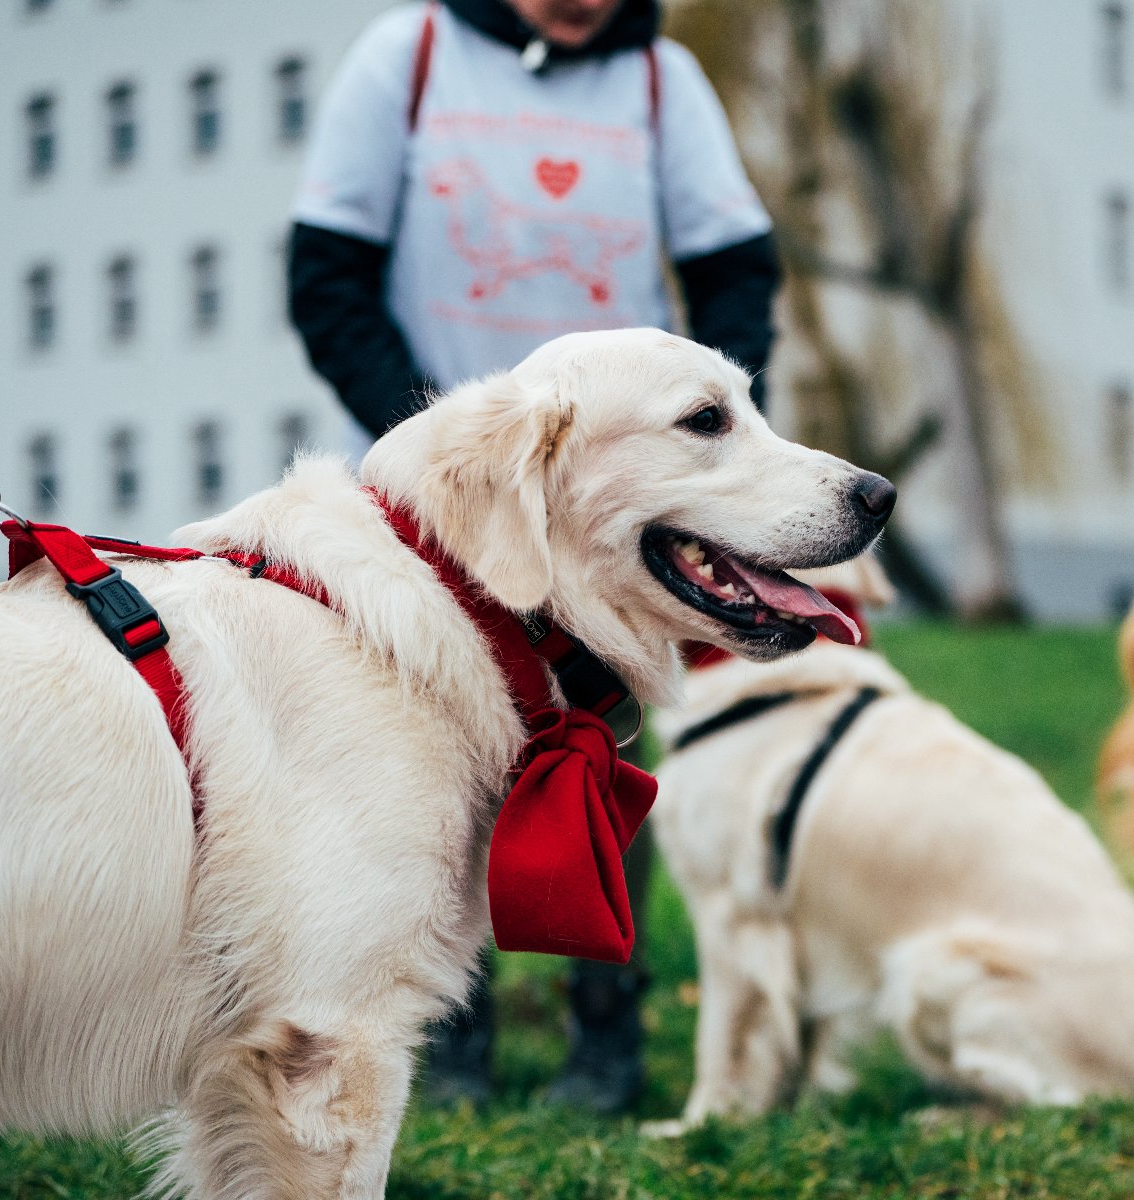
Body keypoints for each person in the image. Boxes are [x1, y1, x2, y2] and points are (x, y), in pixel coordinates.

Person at [286, 0, 781, 1115]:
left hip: (615, 495)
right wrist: (449, 435)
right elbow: (326, 278)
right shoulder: (406, 62)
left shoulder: (660, 82)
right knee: (437, 754)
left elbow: (737, 271)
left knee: (598, 740)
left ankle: (602, 1037)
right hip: (460, 490)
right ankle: (445, 1036)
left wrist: (710, 437)